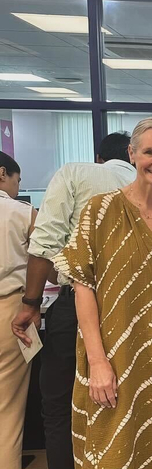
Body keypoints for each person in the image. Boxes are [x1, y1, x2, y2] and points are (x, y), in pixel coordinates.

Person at [50, 118, 152, 468]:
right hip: (117, 354)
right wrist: (97, 362)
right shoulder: (100, 210)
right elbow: (83, 287)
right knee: (116, 446)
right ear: (132, 154)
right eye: (149, 152)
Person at [11, 131, 134, 469]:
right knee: (123, 404)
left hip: (75, 304)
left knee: (59, 403)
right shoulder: (151, 185)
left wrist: (31, 303)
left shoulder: (75, 173)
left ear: (100, 157)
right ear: (133, 154)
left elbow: (43, 241)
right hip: (131, 308)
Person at [0, 152, 37, 469]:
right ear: (3, 173)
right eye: (17, 180)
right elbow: (50, 266)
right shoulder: (22, 213)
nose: (17, 186)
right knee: (7, 409)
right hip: (9, 310)